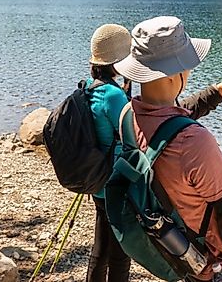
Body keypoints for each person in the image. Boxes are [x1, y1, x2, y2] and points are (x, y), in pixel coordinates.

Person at [114, 16, 222, 282]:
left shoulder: (128, 115)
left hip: (192, 256)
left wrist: (220, 91)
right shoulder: (192, 141)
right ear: (174, 74)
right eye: (187, 66)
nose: (190, 72)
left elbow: (172, 121)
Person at [85, 24, 134, 282]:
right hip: (114, 183)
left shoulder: (93, 89)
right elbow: (133, 136)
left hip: (98, 180)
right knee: (120, 252)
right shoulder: (114, 96)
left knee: (102, 245)